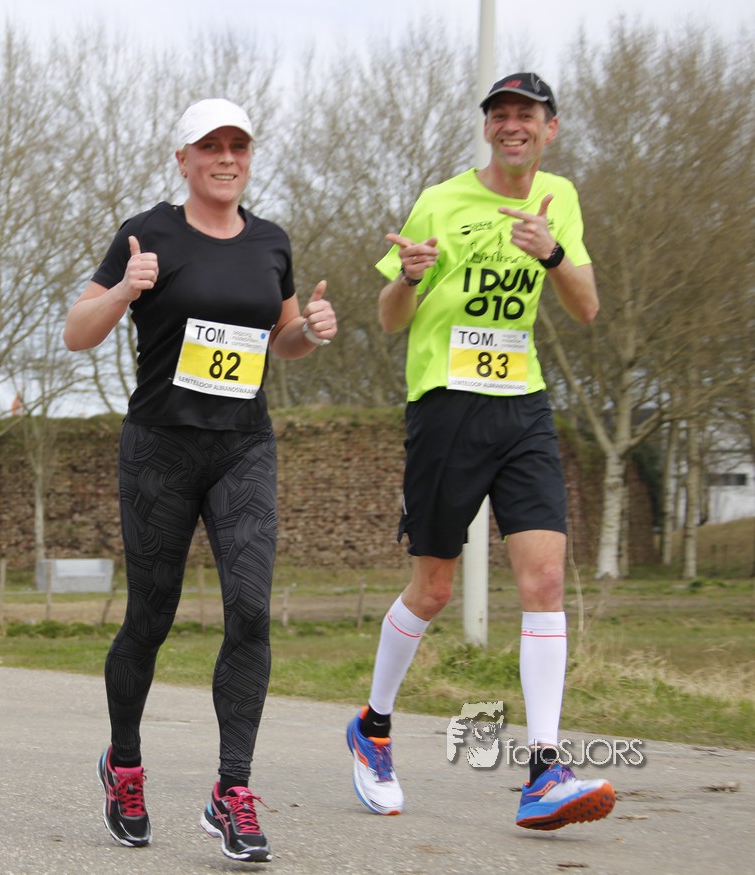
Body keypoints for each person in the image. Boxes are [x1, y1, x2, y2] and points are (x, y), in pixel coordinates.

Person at [64, 98, 337, 863]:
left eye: (236, 146)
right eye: (209, 146)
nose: (225, 158)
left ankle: (231, 789)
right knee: (149, 617)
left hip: (242, 448)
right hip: (159, 448)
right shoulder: (146, 233)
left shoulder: (270, 241)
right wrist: (123, 289)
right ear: (182, 158)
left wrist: (307, 331)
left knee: (249, 611)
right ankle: (123, 766)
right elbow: (77, 331)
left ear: (248, 157)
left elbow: (280, 339)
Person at [348, 72, 615, 830]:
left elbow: (587, 306)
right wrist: (408, 277)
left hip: (522, 404)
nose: (512, 125)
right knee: (432, 589)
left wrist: (553, 253)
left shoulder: (558, 198)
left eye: (526, 114)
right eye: (500, 115)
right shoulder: (440, 200)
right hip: (446, 404)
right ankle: (372, 727)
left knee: (545, 578)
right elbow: (390, 316)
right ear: (488, 128)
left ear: (549, 128)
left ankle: (544, 770)